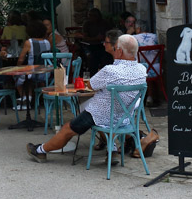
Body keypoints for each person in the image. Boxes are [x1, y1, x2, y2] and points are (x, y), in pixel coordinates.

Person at [25, 31, 147, 163]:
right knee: (93, 108)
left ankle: (40, 151)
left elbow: (91, 85)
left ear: (120, 52)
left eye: (116, 48)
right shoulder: (141, 70)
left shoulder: (110, 70)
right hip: (124, 119)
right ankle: (111, 150)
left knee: (68, 129)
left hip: (100, 115)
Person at [14, 20, 51, 110]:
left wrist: (17, 67)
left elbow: (21, 59)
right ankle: (29, 98)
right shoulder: (47, 42)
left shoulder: (29, 42)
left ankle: (25, 100)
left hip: (33, 72)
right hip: (46, 72)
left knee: (17, 76)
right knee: (28, 79)